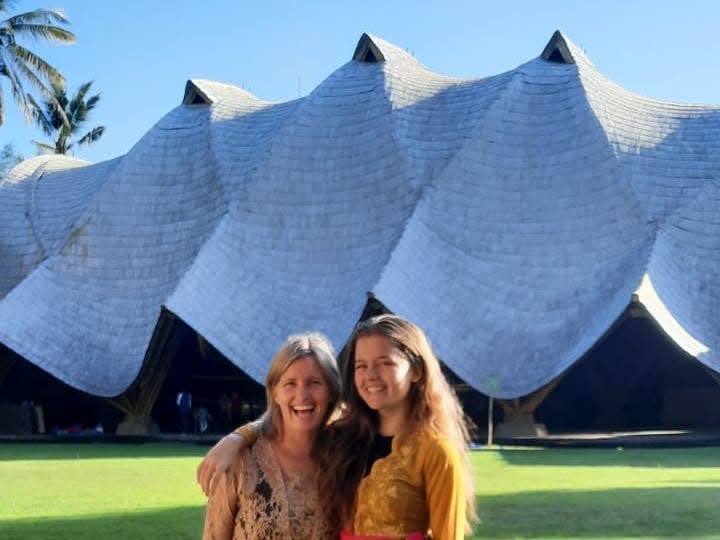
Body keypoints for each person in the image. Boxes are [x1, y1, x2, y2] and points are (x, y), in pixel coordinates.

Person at [198, 315, 475, 539]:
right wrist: (237, 437)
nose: (371, 376)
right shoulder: (349, 438)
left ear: (416, 371)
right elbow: (289, 420)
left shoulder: (434, 451)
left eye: (385, 363)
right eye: (361, 366)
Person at [202, 332, 340, 540]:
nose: (302, 395)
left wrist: (239, 435)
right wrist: (237, 438)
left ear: (331, 391)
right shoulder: (239, 461)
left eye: (314, 382)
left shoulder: (346, 459)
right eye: (290, 383)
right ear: (275, 392)